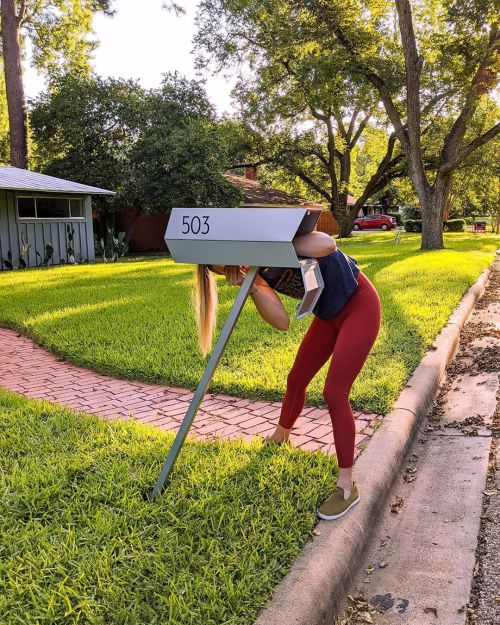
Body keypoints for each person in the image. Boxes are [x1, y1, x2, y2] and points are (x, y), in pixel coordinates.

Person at [194, 230, 382, 520]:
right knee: (296, 378)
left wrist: (274, 248)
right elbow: (281, 322)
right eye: (226, 272)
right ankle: (281, 435)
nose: (236, 270)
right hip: (328, 315)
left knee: (334, 392)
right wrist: (252, 285)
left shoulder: (275, 237)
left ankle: (346, 485)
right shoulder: (255, 273)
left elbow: (327, 245)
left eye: (231, 264)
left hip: (360, 304)